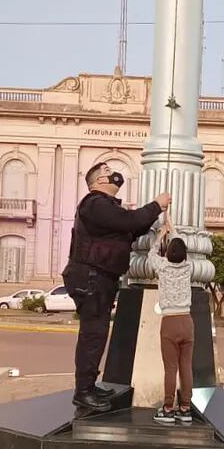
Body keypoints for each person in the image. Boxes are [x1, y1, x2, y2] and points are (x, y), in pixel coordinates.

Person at [64, 162, 171, 412]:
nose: (113, 173)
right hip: (91, 277)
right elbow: (127, 221)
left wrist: (152, 217)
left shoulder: (107, 208)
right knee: (93, 334)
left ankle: (88, 387)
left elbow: (128, 229)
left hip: (99, 277)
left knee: (96, 334)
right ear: (98, 182)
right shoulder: (95, 203)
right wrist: (156, 205)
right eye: (107, 171)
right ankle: (83, 392)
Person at [147, 214, 195, 425]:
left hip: (170, 322)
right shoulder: (188, 267)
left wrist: (160, 235)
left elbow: (150, 253)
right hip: (187, 320)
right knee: (186, 366)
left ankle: (167, 408)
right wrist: (173, 229)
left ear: (168, 253)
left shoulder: (162, 266)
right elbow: (180, 247)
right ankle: (185, 408)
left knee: (170, 368)